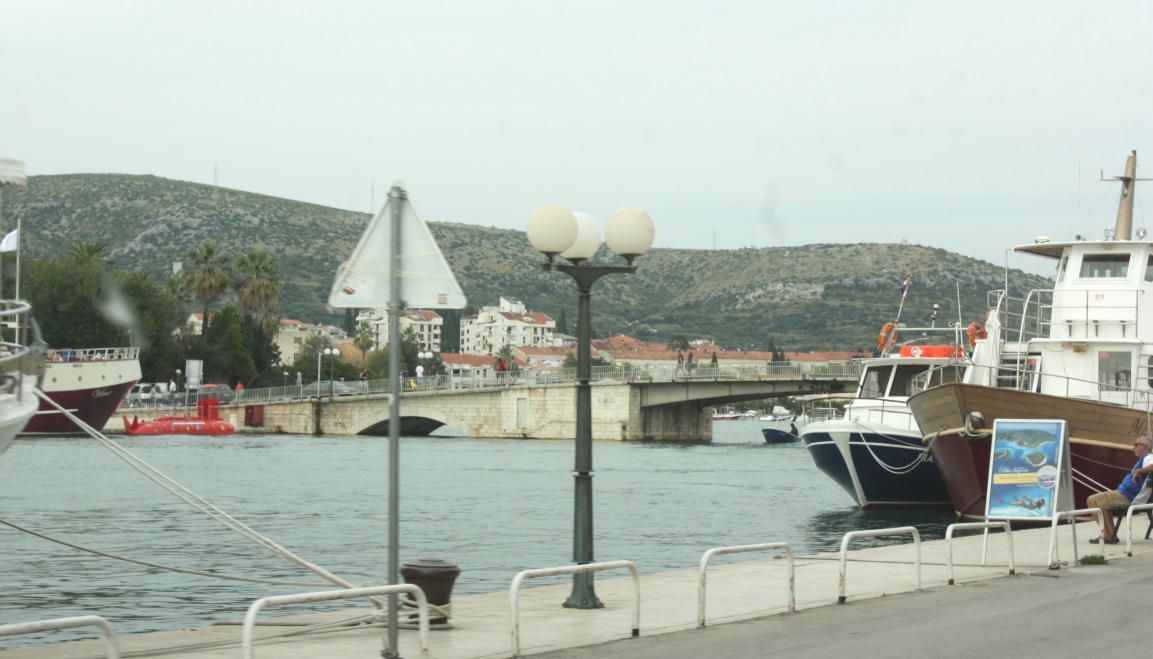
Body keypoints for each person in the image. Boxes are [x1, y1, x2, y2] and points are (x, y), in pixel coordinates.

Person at [1087, 435, 1153, 544]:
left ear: (1144, 447)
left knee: (1091, 500)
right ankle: (1111, 535)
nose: (1133, 448)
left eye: (1136, 445)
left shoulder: (1148, 457)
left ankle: (1107, 535)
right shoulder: (1145, 459)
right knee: (1103, 502)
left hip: (1128, 497)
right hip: (1127, 495)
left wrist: (1139, 471)